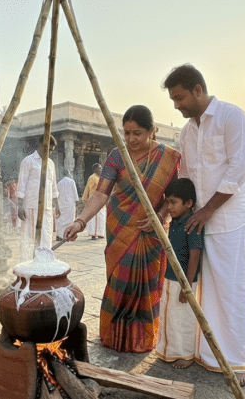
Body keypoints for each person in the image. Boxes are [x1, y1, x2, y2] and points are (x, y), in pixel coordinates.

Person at [164, 64, 245, 386]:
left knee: (232, 290)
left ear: (198, 90)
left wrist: (207, 211)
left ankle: (237, 361)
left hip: (230, 219)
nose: (177, 105)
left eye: (180, 98)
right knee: (203, 289)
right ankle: (206, 353)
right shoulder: (187, 131)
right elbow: (186, 176)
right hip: (198, 220)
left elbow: (238, 171)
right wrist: (175, 210)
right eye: (173, 100)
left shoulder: (233, 117)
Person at [64, 105, 180, 353]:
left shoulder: (168, 157)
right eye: (126, 133)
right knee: (119, 281)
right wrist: (79, 222)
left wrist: (159, 216)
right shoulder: (117, 156)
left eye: (137, 133)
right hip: (119, 227)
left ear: (152, 131)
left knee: (146, 286)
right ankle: (114, 336)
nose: (130, 139)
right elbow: (100, 193)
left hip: (151, 231)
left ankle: (142, 337)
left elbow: (172, 198)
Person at [154, 178, 203, 369]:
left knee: (183, 318)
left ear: (188, 203)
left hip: (183, 281)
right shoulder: (175, 222)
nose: (170, 207)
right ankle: (169, 349)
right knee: (170, 315)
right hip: (170, 277)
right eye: (167, 202)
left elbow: (195, 255)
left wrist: (187, 285)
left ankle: (186, 353)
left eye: (173, 202)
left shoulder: (192, 224)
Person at [17, 135, 60, 261]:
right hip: (31, 206)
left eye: (52, 150)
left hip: (46, 207)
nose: (50, 152)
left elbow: (53, 186)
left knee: (46, 236)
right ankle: (28, 262)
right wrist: (19, 205)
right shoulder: (28, 161)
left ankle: (44, 262)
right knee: (30, 236)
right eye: (49, 149)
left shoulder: (51, 164)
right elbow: (21, 183)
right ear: (41, 146)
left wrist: (57, 205)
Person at [82, 163, 106, 239]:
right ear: (95, 170)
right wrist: (85, 198)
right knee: (94, 219)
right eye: (99, 168)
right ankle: (93, 234)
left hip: (101, 201)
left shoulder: (102, 178)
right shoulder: (92, 177)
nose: (101, 169)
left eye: (101, 168)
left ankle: (100, 233)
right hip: (94, 201)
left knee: (101, 218)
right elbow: (88, 189)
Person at [55, 170, 79, 240]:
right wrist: (77, 201)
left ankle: (59, 235)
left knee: (61, 220)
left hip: (61, 203)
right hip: (70, 203)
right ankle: (68, 234)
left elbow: (57, 194)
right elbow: (75, 193)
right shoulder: (71, 181)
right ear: (68, 174)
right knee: (70, 220)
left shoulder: (59, 183)